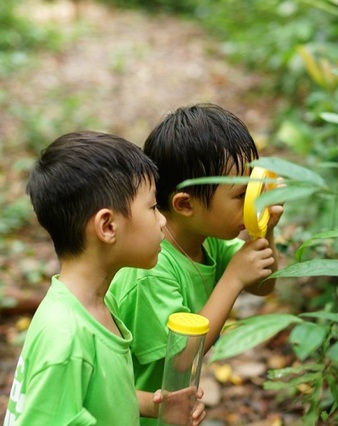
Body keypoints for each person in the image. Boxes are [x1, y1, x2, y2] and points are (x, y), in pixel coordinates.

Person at [4, 131, 206, 425]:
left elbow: (94, 395)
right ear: (108, 226)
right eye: (152, 208)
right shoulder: (66, 336)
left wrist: (154, 405)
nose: (162, 220)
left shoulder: (95, 307)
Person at [108, 103, 284, 425]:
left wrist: (265, 229)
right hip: (133, 413)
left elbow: (264, 284)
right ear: (185, 204)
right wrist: (231, 279)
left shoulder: (210, 236)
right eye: (241, 196)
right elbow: (182, 357)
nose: (252, 202)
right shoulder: (150, 269)